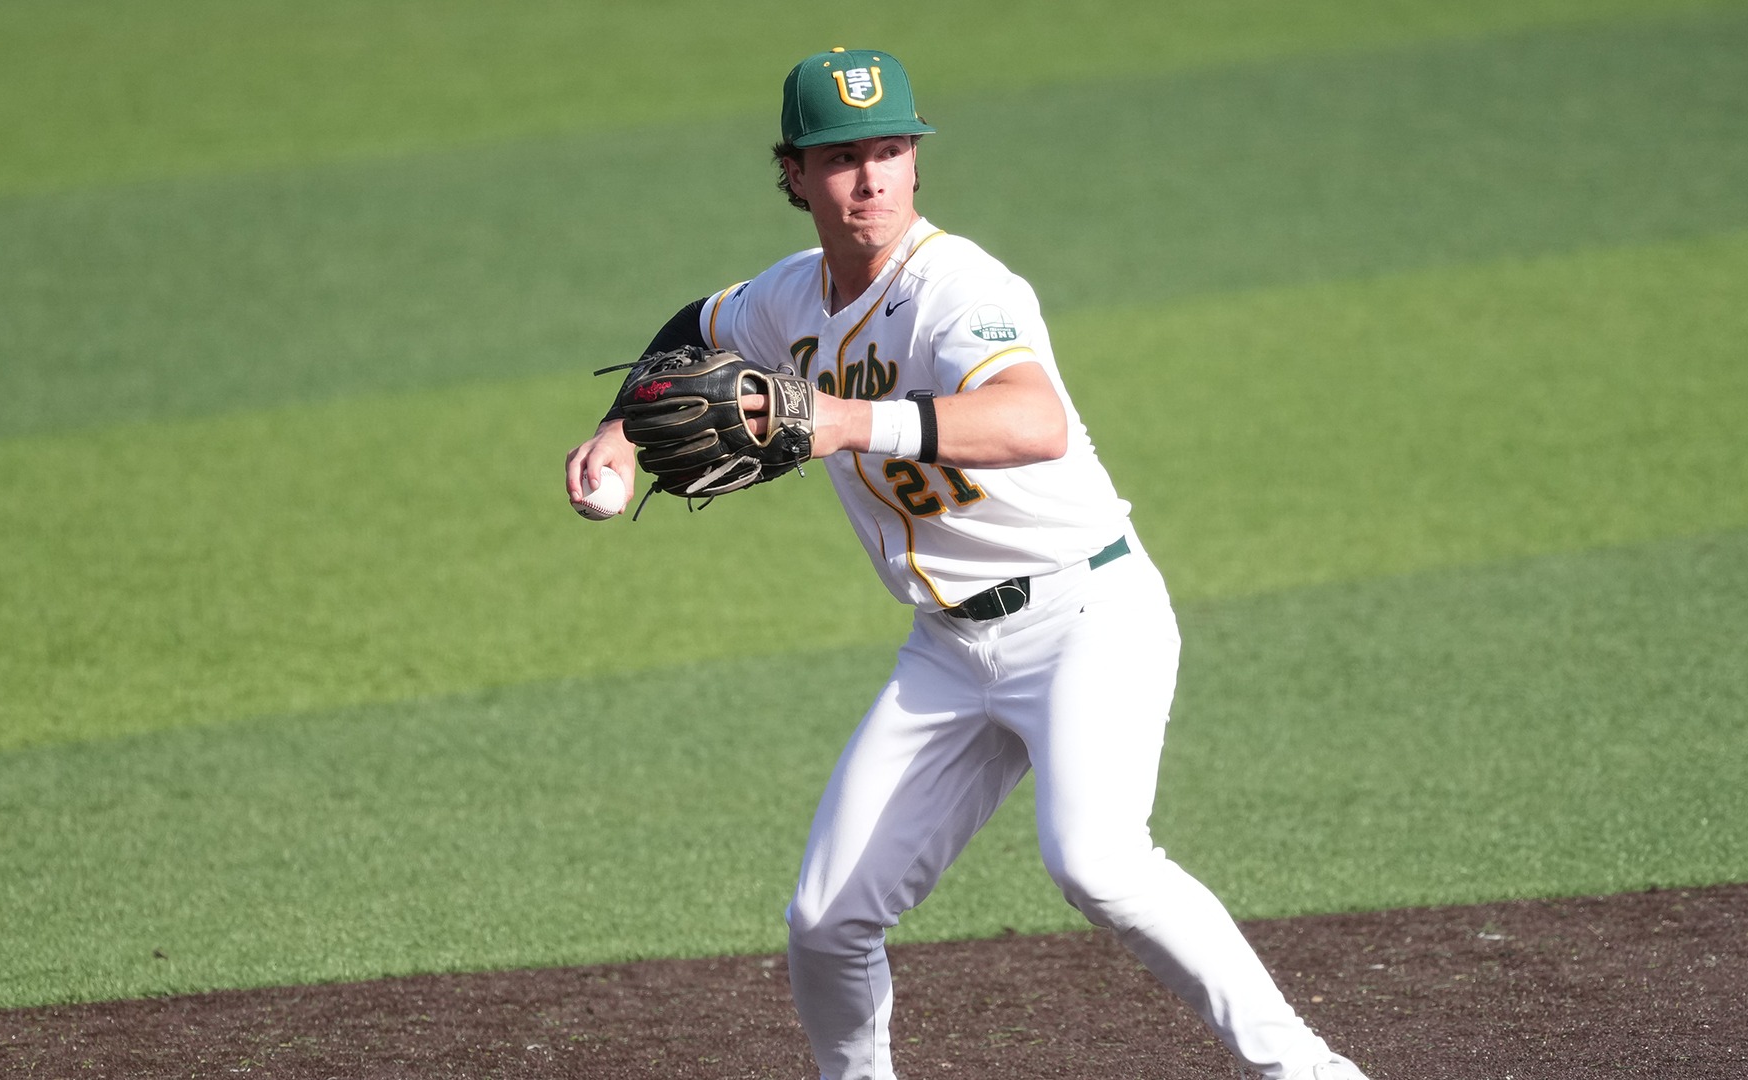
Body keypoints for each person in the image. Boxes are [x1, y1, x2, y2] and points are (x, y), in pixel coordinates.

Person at [565, 46, 1372, 1080]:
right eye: (844, 156)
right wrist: (619, 436)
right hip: (948, 648)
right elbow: (694, 328)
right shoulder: (787, 299)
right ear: (795, 175)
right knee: (824, 919)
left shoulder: (957, 283)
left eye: (892, 150)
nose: (872, 179)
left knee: (1098, 864)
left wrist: (844, 421)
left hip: (1087, 613)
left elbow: (1031, 420)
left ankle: (1307, 1071)